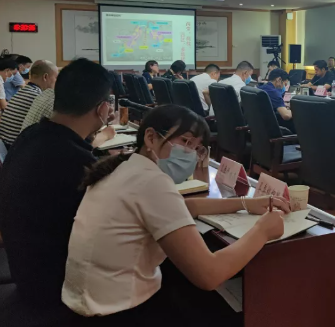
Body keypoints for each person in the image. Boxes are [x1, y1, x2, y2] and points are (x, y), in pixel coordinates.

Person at [61, 105, 289, 323]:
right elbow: (210, 275)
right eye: (185, 141)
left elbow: (186, 207)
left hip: (89, 306)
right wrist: (263, 230)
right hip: (121, 314)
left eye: (196, 147)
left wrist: (247, 203)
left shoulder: (126, 167)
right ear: (151, 137)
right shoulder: (151, 182)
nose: (190, 153)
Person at [0, 58, 114, 308]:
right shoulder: (74, 161)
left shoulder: (32, 136)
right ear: (103, 108)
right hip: (57, 292)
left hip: (27, 274)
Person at [0, 60, 58, 148]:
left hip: (4, 144)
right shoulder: (38, 96)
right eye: (56, 78)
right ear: (45, 77)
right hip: (14, 147)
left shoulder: (23, 91)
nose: (57, 82)